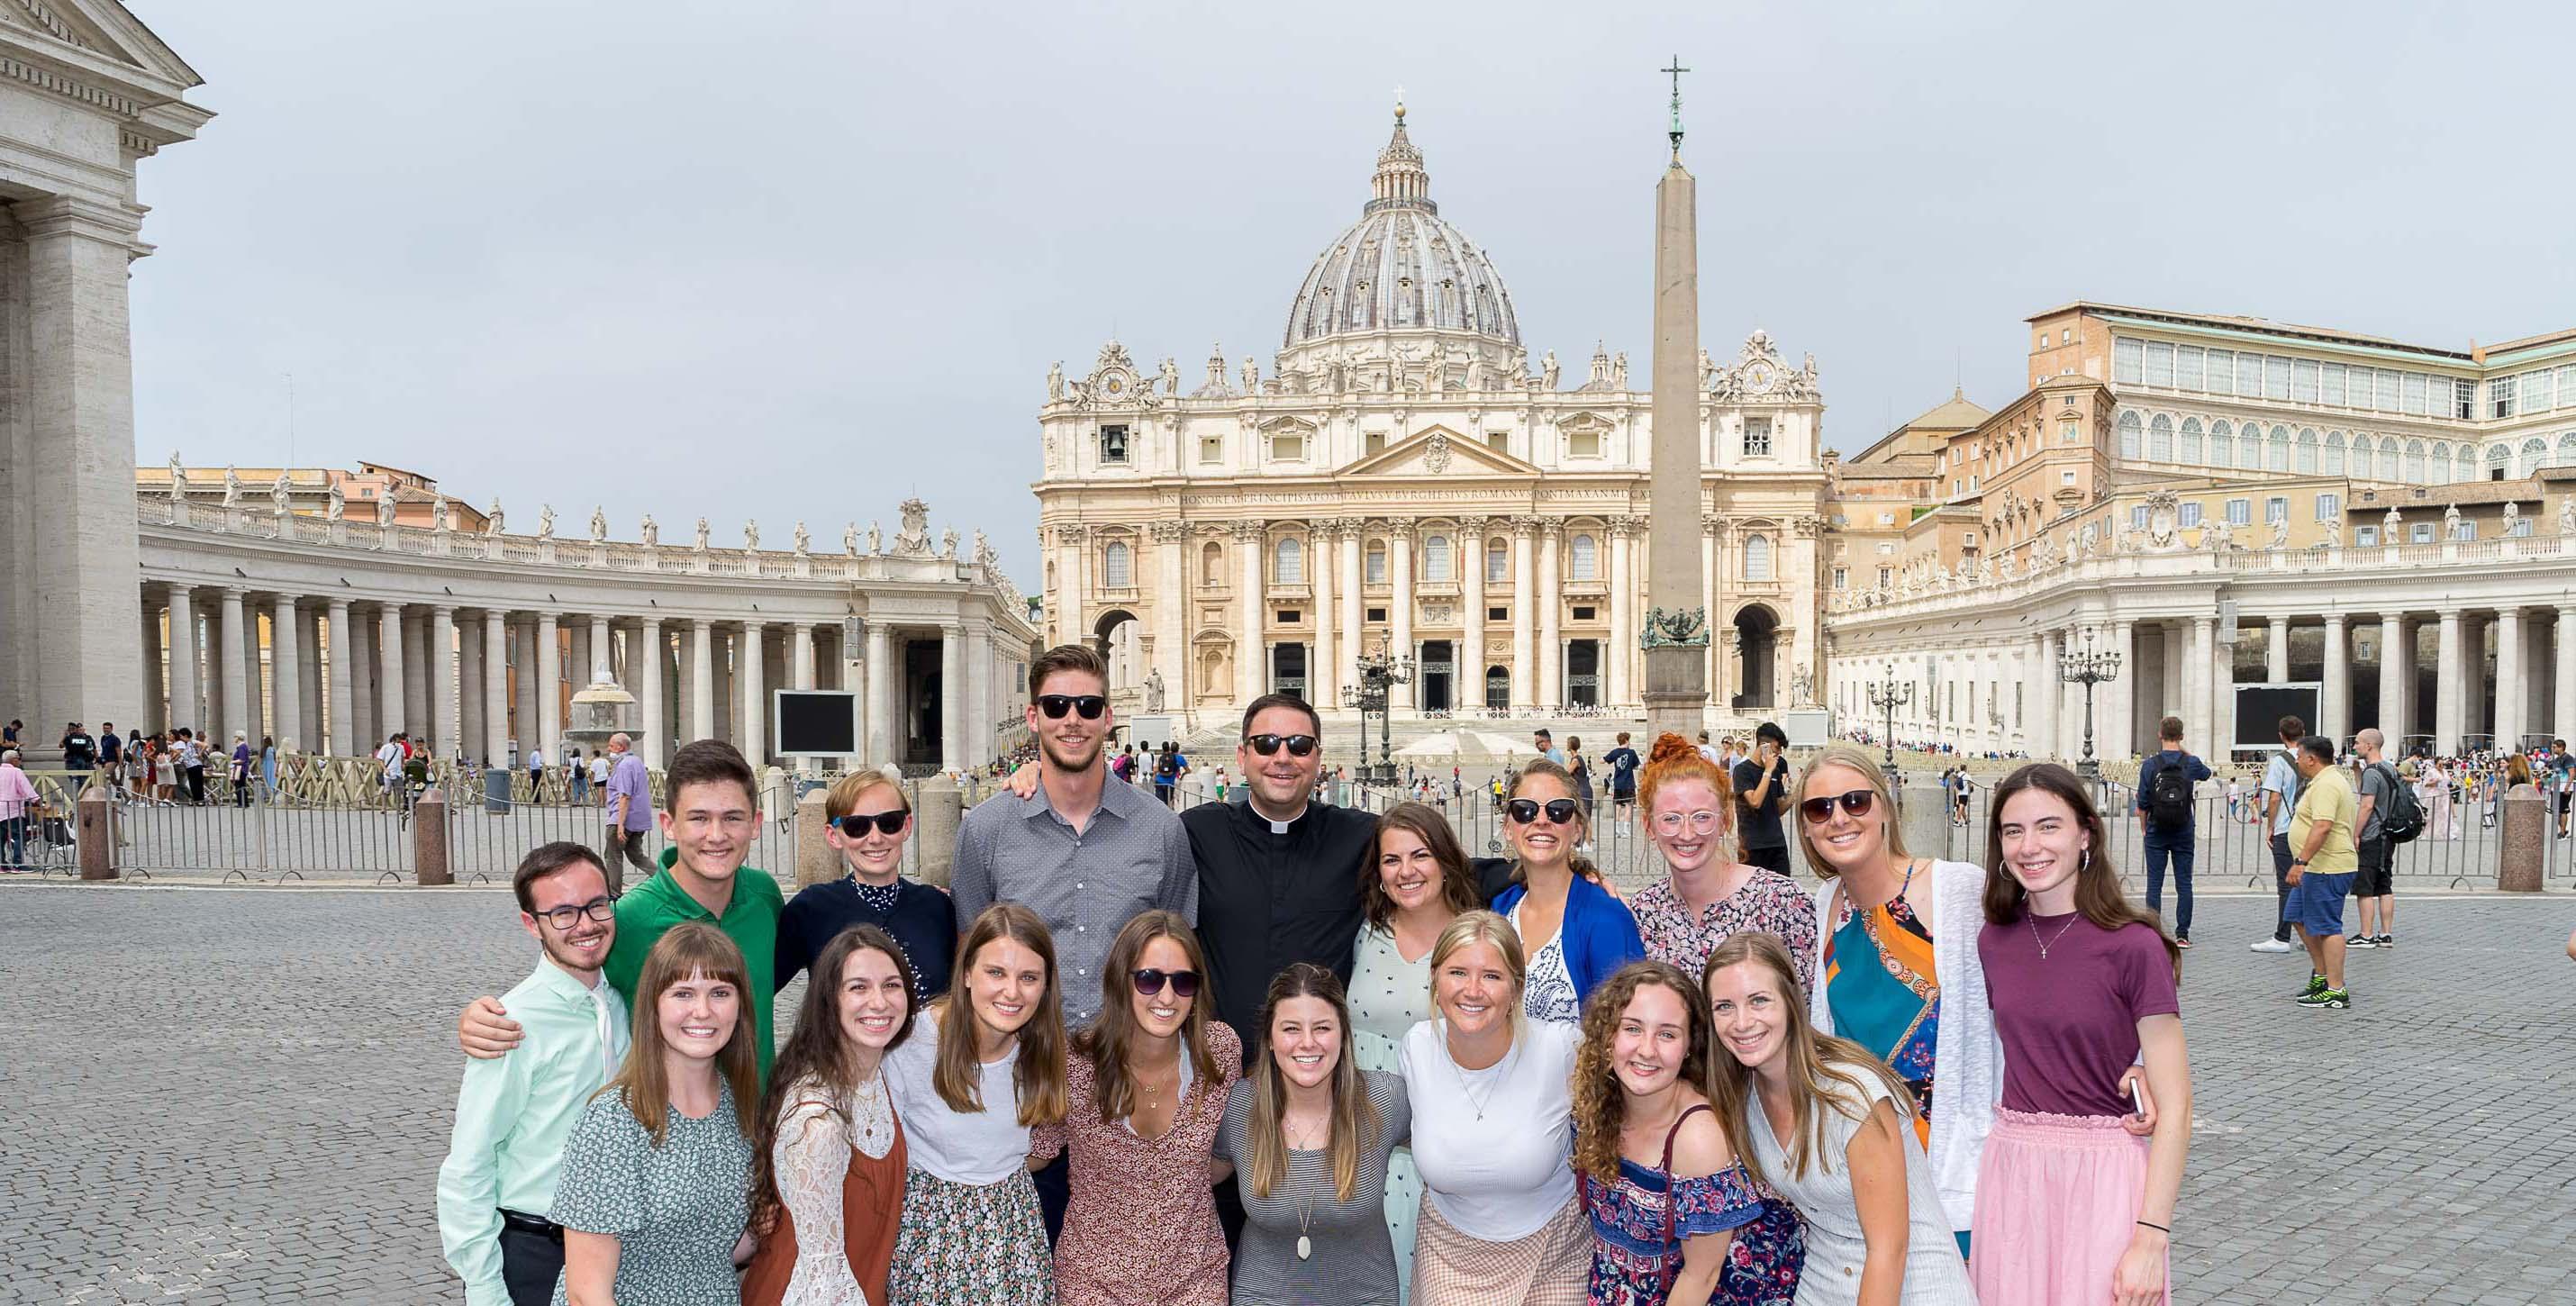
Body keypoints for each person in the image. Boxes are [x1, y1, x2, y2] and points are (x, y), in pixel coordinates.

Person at [952, 644, 1195, 1238]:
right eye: (1057, 705)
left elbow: (1179, 965)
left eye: (1087, 705)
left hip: (1126, 1092)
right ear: (1032, 715)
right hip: (1019, 1089)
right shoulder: (984, 830)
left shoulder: (1162, 831)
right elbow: (969, 962)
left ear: (1109, 716)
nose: (1073, 719)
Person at [1795, 741, 2025, 1258]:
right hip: (1865, 1172)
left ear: (1884, 805)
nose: (1838, 818)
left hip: (1954, 1169)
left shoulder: (1958, 892)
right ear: (1807, 829)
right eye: (1819, 808)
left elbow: (2039, 978)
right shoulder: (1821, 909)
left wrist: (2128, 1059)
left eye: (1855, 801)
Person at [1973, 763, 2191, 1305]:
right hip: (2014, 1173)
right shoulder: (1994, 940)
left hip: (2105, 1178)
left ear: (2085, 833)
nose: (2030, 846)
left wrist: (2151, 1238)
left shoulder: (2134, 945)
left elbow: (2178, 1105)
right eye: (2013, 830)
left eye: (2049, 826)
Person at [459, 740, 787, 1084]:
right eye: (699, 818)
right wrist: (482, 1018)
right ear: (669, 824)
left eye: (732, 818)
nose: (716, 835)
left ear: (755, 823)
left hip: (759, 1121)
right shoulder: (627, 921)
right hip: (664, 1126)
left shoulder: (764, 895)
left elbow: (760, 987)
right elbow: (561, 991)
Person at [1706, 932, 1975, 1305]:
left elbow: (1888, 1249)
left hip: (1913, 1283)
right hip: (1825, 1282)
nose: (1742, 1021)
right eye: (1724, 1006)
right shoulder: (1743, 1096)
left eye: (1759, 1000)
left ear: (1791, 1001)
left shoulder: (1853, 1095)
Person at [437, 844, 630, 1306]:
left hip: (616, 1248)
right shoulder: (511, 1024)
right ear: (532, 924)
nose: (586, 925)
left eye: (596, 905)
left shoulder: (624, 1002)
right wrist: (486, 1291)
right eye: (562, 913)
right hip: (533, 1252)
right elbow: (469, 1165)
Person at [1031, 911, 1240, 1305]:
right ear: (1120, 981)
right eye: (1149, 979)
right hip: (1092, 1284)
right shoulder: (1076, 1062)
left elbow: (1224, 1158)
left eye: (1183, 982)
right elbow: (1036, 1152)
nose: (1166, 996)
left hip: (1195, 1280)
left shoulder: (1219, 1053)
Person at [548, 922, 761, 1306]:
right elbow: (586, 1294)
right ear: (654, 1005)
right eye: (683, 993)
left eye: (720, 993)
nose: (703, 1011)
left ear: (740, 1005)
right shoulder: (613, 1122)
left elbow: (708, 1248)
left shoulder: (738, 1107)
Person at [1575, 959, 1803, 1305]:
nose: (1647, 1049)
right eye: (1632, 1028)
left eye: (1667, 1034)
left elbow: (1702, 1275)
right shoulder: (1597, 1101)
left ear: (1688, 1048)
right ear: (1607, 1035)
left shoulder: (1697, 1137)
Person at [881, 902, 1068, 1305]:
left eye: (1029, 977)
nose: (1012, 992)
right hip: (930, 1230)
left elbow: (1038, 1142)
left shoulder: (1041, 1050)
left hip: (1013, 1231)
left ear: (1046, 985)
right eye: (996, 972)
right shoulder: (911, 1042)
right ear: (967, 973)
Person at [1400, 911, 1590, 1305]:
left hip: (1555, 1251)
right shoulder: (1417, 1047)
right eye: (1457, 973)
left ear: (1516, 988)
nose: (1473, 990)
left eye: (1491, 976)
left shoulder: (1561, 1049)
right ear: (1434, 978)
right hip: (1448, 1255)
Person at [1348, 803, 1490, 1298]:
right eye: (1392, 860)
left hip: (1433, 1155)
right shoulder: (1365, 931)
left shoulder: (1477, 939)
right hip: (1356, 1147)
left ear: (1446, 861)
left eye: (1420, 855)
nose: (1406, 871)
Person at [741, 924, 916, 1306]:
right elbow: (823, 1278)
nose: (879, 1002)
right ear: (828, 1000)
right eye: (858, 987)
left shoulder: (877, 1077)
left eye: (891, 985)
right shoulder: (817, 1123)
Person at [1220, 963, 1412, 1306]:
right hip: (1262, 1297)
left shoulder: (1385, 1100)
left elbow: (1449, 1150)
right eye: (1291, 1028)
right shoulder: (1240, 1106)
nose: (1307, 1043)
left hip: (1365, 1297)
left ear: (1343, 1034)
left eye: (1322, 1027)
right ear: (1270, 1038)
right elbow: (1188, 1178)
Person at [1627, 734, 1816, 984]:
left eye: (1702, 817)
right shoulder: (1641, 913)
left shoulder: (1782, 901)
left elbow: (1810, 1013)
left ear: (1725, 821)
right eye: (1671, 818)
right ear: (1649, 826)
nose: (1687, 833)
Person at [777, 766, 956, 1001]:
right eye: (857, 826)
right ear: (834, 835)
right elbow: (754, 989)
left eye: (889, 822)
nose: (875, 838)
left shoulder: (937, 906)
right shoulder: (811, 908)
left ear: (907, 826)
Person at [1490, 759, 1645, 1022]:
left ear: (1578, 830)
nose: (1541, 821)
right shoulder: (1499, 908)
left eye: (1559, 811)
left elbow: (1629, 1024)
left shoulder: (1607, 918)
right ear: (1507, 828)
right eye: (1524, 810)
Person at [2286, 736, 2361, 1010]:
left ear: (2311, 758)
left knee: (2328, 926)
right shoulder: (2324, 781)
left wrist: (2301, 861)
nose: (2296, 760)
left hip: (2327, 866)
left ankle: (2336, 989)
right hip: (2318, 866)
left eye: (2299, 756)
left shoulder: (2328, 784)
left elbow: (2322, 826)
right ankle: (2322, 974)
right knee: (2296, 915)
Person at [2134, 715, 2212, 949]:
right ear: (2182, 736)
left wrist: (2144, 828)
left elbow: (2143, 802)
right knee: (2184, 883)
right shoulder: (2191, 763)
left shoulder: (2150, 765)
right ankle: (2182, 934)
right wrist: (2184, 752)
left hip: (2156, 829)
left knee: (2154, 883)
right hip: (2184, 829)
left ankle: (2153, 931)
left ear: (2159, 735)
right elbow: (2207, 774)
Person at [2250, 716, 2305, 954]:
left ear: (2281, 735)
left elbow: (2273, 797)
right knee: (2307, 882)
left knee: (2286, 884)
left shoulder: (2280, 761)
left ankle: (2282, 937)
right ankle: (2308, 934)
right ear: (2303, 732)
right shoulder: (2312, 759)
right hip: (2310, 828)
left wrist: (2269, 826)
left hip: (2286, 826)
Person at [2351, 729, 2399, 951]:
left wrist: (2356, 833)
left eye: (2358, 743)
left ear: (2369, 746)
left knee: (2365, 887)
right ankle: (2385, 934)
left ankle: (2366, 934)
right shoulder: (2389, 768)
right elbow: (2373, 794)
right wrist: (2356, 772)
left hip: (2371, 835)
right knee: (2384, 884)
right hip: (2388, 834)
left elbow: (2367, 804)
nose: (2354, 746)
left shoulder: (2372, 772)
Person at [1732, 723, 1795, 877]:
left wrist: (1795, 793)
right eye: (1776, 748)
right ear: (1763, 746)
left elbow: (1779, 808)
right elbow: (1755, 802)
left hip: (1777, 843)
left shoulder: (1777, 769)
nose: (1779, 753)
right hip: (1752, 845)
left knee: (1783, 891)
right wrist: (1767, 771)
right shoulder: (1743, 770)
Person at [598, 732, 654, 895]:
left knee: (613, 856)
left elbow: (625, 796)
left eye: (611, 745)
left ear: (620, 747)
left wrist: (620, 825)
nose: (609, 749)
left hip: (622, 819)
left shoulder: (623, 765)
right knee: (636, 855)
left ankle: (614, 894)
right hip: (639, 819)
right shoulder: (637, 761)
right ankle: (667, 882)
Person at [0, 749, 35, 872]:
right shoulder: (16, 771)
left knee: (1, 838)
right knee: (19, 836)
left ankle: (2, 864)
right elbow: (26, 787)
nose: (20, 761)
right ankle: (18, 864)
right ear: (13, 760)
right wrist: (36, 800)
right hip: (13, 810)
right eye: (18, 759)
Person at [1603, 732, 1643, 814]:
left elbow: (1602, 761)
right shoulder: (1631, 752)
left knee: (1618, 806)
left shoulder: (1615, 752)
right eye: (1629, 740)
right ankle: (1626, 827)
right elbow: (1637, 766)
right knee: (1629, 806)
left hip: (1618, 783)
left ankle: (1617, 826)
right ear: (1626, 741)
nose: (1630, 742)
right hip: (1628, 784)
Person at [1566, 737, 1595, 819]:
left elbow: (1566, 773)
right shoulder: (1575, 758)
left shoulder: (1576, 760)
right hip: (1580, 789)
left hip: (1583, 790)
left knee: (1584, 818)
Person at [229, 731, 254, 807]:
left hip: (241, 769)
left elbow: (242, 759)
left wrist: (232, 761)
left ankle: (241, 803)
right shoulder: (243, 746)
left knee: (239, 786)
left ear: (238, 737)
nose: (234, 738)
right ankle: (245, 803)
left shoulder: (242, 746)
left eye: (235, 737)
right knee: (242, 785)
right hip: (243, 768)